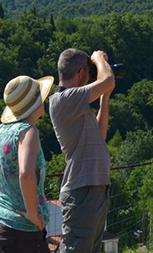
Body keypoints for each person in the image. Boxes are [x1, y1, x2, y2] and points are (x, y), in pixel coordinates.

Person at [0, 75, 58, 253]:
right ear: (35, 102)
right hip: (21, 233)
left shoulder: (4, 131)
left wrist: (4, 196)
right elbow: (26, 174)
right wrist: (33, 214)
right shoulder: (28, 131)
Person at [48, 49, 116, 253]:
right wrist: (99, 60)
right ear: (80, 72)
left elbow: (100, 133)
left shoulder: (76, 104)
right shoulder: (63, 100)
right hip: (81, 190)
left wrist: (104, 97)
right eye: (89, 71)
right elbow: (108, 80)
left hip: (94, 188)